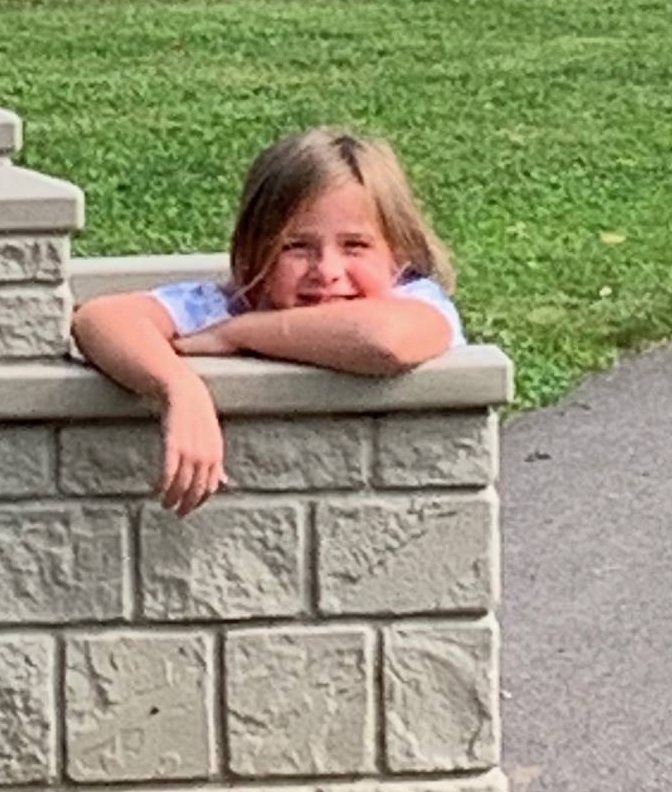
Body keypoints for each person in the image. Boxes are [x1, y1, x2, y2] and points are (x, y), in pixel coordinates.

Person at [72, 128, 462, 518]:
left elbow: (383, 340)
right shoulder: (230, 303)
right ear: (252, 255)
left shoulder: (415, 300)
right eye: (296, 247)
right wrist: (180, 388)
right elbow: (99, 319)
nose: (327, 271)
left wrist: (237, 333)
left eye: (355, 245)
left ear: (398, 254)